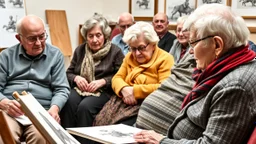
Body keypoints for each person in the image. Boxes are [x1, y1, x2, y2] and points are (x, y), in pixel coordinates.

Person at [134, 4, 256, 144]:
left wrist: (161, 141)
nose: (190, 51)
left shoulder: (235, 86)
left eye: (193, 43)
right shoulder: (226, 66)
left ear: (217, 45)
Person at [0, 15, 70, 144]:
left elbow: (62, 88)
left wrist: (54, 109)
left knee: (42, 137)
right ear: (19, 38)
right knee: (4, 135)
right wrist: (4, 102)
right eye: (32, 39)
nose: (38, 43)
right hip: (11, 110)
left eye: (42, 36)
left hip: (41, 112)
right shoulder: (6, 56)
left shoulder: (55, 55)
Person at [94, 21, 174, 127]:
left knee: (118, 129)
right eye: (133, 48)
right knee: (100, 123)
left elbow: (164, 87)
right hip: (123, 100)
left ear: (153, 44)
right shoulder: (129, 57)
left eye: (141, 48)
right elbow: (117, 78)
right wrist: (124, 89)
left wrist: (135, 91)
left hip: (146, 105)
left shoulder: (165, 59)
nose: (137, 53)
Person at [60, 14, 124, 143]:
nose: (94, 40)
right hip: (80, 89)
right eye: (90, 36)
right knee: (68, 102)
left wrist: (103, 81)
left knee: (85, 107)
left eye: (98, 35)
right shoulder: (80, 50)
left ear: (105, 35)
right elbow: (69, 73)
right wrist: (77, 78)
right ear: (86, 37)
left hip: (104, 91)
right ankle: (65, 140)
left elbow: (121, 76)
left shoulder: (115, 51)